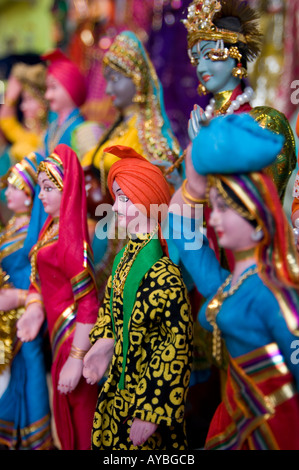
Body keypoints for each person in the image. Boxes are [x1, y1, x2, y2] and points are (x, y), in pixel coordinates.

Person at [169, 113, 299, 449]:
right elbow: (183, 233)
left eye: (225, 208)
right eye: (213, 207)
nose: (213, 218)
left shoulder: (276, 295)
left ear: (257, 215)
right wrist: (195, 185)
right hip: (233, 423)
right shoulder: (229, 286)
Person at [83, 145, 193, 450]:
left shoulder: (164, 274)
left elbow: (175, 347)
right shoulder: (123, 259)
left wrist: (153, 410)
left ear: (146, 201)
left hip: (145, 398)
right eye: (116, 197)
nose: (115, 207)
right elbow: (111, 312)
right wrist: (104, 345)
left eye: (124, 198)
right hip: (119, 389)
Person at [81, 30, 183, 301]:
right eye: (107, 81)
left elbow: (165, 177)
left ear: (136, 78)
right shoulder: (114, 129)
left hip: (132, 232)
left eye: (115, 79)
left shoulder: (150, 133)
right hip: (105, 224)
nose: (109, 89)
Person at [16, 144, 99, 450]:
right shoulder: (50, 228)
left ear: (69, 189)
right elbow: (39, 278)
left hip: (73, 338)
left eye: (49, 188)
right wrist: (35, 308)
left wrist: (77, 359)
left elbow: (89, 305)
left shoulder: (72, 243)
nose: (41, 196)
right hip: (55, 336)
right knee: (65, 420)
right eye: (40, 187)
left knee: (81, 420)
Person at [183, 0, 296, 202]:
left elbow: (256, 204)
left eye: (210, 55)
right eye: (197, 58)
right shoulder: (203, 119)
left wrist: (205, 147)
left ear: (236, 56)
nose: (201, 68)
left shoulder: (263, 124)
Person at [0, 154, 52, 449]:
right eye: (7, 186)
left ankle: (35, 436)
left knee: (29, 365)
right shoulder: (12, 227)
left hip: (26, 311)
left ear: (30, 195)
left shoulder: (31, 234)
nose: (7, 192)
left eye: (15, 187)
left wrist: (20, 299)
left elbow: (39, 278)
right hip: (9, 315)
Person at [41, 49, 103, 160]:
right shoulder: (52, 129)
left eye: (53, 87)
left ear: (71, 87)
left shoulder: (83, 131)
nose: (47, 95)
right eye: (47, 88)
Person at [0, 62, 49, 162]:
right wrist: (11, 97)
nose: (23, 107)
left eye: (29, 100)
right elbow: (6, 122)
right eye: (23, 100)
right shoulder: (29, 134)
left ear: (43, 101)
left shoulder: (50, 134)